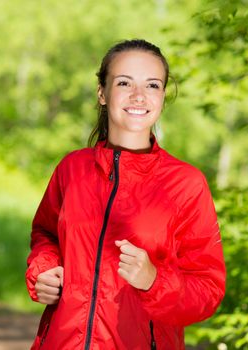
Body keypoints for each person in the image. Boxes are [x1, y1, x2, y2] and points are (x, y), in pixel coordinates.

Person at [25, 39, 226, 349]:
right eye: (124, 82)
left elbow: (208, 289)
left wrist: (154, 281)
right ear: (102, 93)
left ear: (162, 96)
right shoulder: (73, 169)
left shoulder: (186, 184)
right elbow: (45, 234)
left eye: (152, 85)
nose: (138, 96)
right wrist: (44, 270)